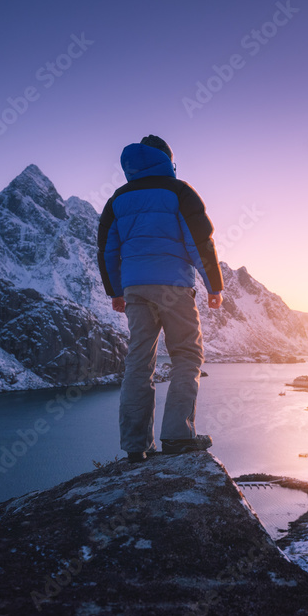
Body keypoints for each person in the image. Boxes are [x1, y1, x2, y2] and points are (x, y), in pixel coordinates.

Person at [97, 135, 223, 463]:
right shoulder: (179, 191)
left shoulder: (117, 199)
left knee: (139, 363)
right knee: (187, 356)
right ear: (167, 158)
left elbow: (108, 250)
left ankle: (136, 445)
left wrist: (116, 292)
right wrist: (214, 286)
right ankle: (178, 436)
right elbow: (200, 242)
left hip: (136, 290)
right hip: (174, 289)